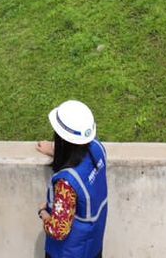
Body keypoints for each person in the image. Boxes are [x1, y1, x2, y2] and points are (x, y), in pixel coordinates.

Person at [35, 100, 108, 258]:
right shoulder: (98, 149)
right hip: (93, 246)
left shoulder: (67, 184)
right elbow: (83, 161)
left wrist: (43, 212)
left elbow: (59, 230)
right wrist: (55, 151)